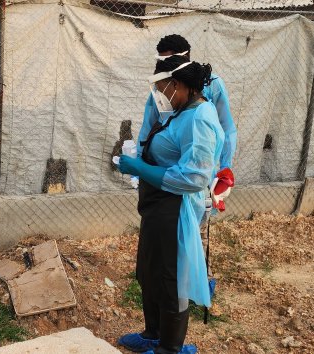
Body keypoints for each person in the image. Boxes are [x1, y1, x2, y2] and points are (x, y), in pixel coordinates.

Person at [117, 56, 224, 353]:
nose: (160, 96)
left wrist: (139, 169)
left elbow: (194, 176)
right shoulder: (181, 110)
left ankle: (170, 348)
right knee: (149, 272)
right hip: (156, 207)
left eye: (163, 88)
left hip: (174, 210)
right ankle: (152, 335)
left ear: (178, 85)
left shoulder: (200, 117)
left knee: (170, 279)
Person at [138, 34, 237, 291]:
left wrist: (223, 170)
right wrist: (142, 160)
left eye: (172, 60)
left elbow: (226, 130)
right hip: (168, 173)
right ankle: (180, 285)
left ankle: (191, 284)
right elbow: (150, 123)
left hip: (194, 172)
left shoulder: (208, 94)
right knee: (175, 241)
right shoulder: (164, 88)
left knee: (193, 232)